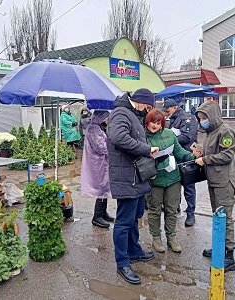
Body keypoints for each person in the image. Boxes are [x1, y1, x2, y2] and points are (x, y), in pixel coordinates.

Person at [107, 88, 159, 285]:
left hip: (137, 177)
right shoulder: (121, 113)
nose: (148, 111)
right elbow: (118, 138)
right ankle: (122, 263)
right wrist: (146, 149)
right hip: (126, 177)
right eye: (148, 106)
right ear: (140, 101)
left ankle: (134, 250)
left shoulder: (133, 114)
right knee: (123, 222)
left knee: (134, 217)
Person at [194, 101, 235, 272]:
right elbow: (214, 151)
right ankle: (219, 247)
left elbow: (227, 155)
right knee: (217, 216)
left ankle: (229, 256)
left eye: (204, 117)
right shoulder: (209, 131)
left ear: (212, 115)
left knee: (225, 218)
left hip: (224, 182)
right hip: (213, 179)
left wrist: (205, 160)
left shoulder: (225, 131)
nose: (202, 121)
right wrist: (201, 152)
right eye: (200, 118)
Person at [145, 109, 195, 254]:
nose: (155, 126)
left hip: (173, 177)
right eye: (152, 122)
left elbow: (179, 152)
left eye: (158, 123)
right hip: (155, 179)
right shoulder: (143, 137)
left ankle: (171, 237)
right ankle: (156, 238)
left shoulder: (169, 134)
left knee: (171, 209)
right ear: (147, 122)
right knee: (154, 209)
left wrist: (192, 156)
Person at [164, 99, 198, 227]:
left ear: (174, 107)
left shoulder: (188, 118)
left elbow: (188, 137)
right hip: (175, 158)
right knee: (175, 184)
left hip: (187, 156)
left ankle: (190, 213)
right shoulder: (173, 119)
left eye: (167, 110)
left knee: (189, 187)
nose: (166, 113)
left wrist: (169, 139)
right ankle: (176, 206)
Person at [80, 110, 114, 228]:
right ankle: (97, 216)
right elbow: (100, 147)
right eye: (105, 117)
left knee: (105, 186)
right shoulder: (94, 129)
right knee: (101, 186)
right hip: (98, 162)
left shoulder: (97, 127)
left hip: (101, 161)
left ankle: (103, 213)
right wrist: (112, 147)